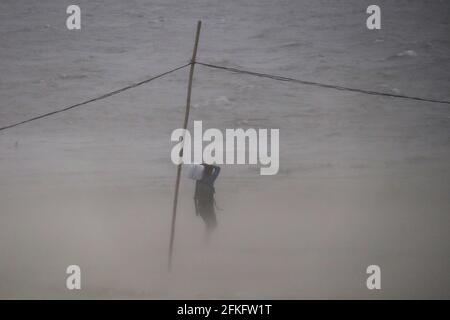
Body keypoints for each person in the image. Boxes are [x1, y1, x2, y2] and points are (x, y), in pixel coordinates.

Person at [194, 163, 221, 238]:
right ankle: (206, 238)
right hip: (208, 207)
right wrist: (211, 166)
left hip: (200, 207)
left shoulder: (198, 180)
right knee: (214, 224)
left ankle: (206, 239)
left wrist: (196, 209)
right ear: (210, 171)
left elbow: (195, 195)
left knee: (208, 224)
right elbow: (218, 169)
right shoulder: (211, 179)